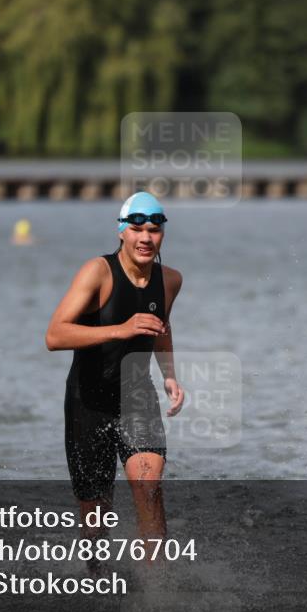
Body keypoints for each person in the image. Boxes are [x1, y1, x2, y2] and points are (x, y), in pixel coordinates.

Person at [46, 192, 185, 555]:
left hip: (137, 397)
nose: (146, 238)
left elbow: (161, 326)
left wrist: (169, 375)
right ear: (121, 232)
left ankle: (156, 593)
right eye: (137, 229)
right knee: (96, 514)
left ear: (163, 234)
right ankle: (97, 577)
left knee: (149, 487)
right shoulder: (98, 272)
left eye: (154, 230)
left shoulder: (170, 280)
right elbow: (55, 334)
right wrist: (120, 329)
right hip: (88, 400)